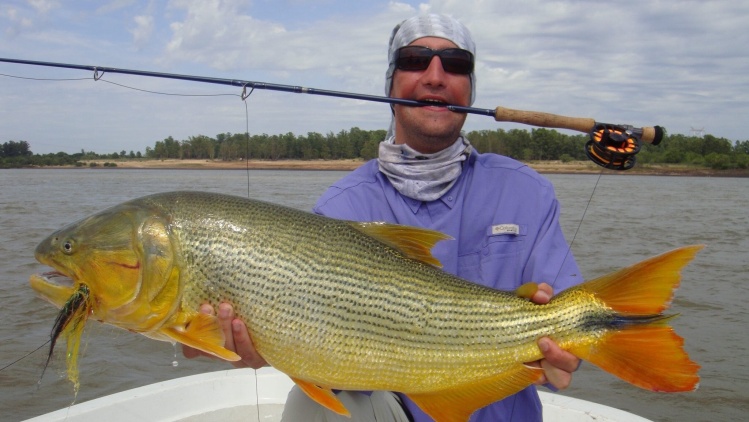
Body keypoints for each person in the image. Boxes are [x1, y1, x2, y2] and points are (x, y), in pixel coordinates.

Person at [184, 13, 583, 421]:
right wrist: (269, 345)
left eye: (456, 63)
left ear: (471, 88)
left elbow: (574, 327)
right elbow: (331, 371)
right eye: (414, 59)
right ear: (391, 84)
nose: (435, 76)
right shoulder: (341, 208)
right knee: (309, 405)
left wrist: (565, 356)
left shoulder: (527, 191)